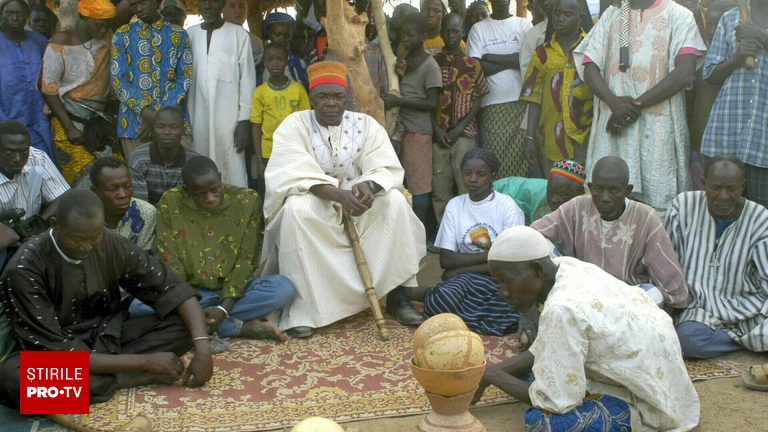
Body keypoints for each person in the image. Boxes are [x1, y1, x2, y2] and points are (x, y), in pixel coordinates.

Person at [0, 188, 213, 416]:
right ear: (54, 224)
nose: (86, 247)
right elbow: (58, 353)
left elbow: (172, 288)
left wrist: (202, 349)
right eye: (77, 240)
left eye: (94, 239)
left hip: (106, 335)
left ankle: (103, 378)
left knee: (187, 323)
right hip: (53, 354)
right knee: (17, 382)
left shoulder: (110, 242)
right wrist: (144, 363)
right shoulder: (24, 268)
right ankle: (122, 378)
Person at [473, 226, 700, 431]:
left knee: (544, 422)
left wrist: (494, 375)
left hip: (650, 400)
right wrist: (490, 373)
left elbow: (555, 401)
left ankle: (634, 418)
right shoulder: (566, 266)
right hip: (665, 380)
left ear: (536, 270)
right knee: (534, 370)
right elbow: (548, 345)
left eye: (505, 281)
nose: (502, 292)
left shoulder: (560, 308)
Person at [262, 61, 427, 338]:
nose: (331, 103)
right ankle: (305, 310)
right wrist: (339, 195)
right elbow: (291, 171)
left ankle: (397, 297)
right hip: (317, 200)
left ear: (346, 97)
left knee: (396, 203)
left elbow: (384, 165)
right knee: (295, 211)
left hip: (359, 203)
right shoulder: (294, 125)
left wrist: (368, 187)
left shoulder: (366, 125)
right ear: (311, 98)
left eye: (337, 97)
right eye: (323, 97)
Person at [132, 156, 296, 342]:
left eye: (214, 190)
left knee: (283, 288)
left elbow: (246, 261)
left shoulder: (246, 200)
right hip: (189, 294)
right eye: (201, 194)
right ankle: (236, 327)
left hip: (235, 294)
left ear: (219, 177)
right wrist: (188, 304)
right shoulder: (170, 202)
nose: (210, 198)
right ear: (186, 190)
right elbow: (170, 260)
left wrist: (223, 309)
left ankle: (195, 322)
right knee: (137, 306)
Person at [573, 0, 706, 211]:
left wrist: (632, 106)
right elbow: (589, 66)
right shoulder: (612, 15)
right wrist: (614, 102)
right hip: (613, 127)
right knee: (608, 203)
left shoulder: (679, 15)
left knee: (658, 204)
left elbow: (685, 72)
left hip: (658, 130)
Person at [531, 156, 689, 308]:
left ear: (627, 191)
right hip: (581, 294)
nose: (605, 198)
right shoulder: (577, 207)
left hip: (625, 299)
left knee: (653, 295)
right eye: (599, 189)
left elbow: (672, 285)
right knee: (535, 244)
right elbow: (532, 234)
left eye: (614, 190)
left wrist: (670, 307)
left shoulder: (646, 218)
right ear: (591, 188)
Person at [666, 156, 768, 359]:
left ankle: (743, 338)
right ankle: (748, 343)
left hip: (748, 308)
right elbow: (668, 265)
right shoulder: (683, 207)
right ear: (704, 184)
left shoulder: (759, 219)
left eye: (731, 189)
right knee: (687, 340)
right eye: (716, 188)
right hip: (700, 311)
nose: (723, 196)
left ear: (742, 188)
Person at [424, 149, 525, 336]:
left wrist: (460, 269)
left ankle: (457, 321)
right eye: (467, 173)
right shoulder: (455, 205)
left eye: (481, 174)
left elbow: (509, 263)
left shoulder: (507, 206)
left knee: (512, 306)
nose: (473, 179)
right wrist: (490, 255)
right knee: (443, 298)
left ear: (492, 176)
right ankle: (473, 322)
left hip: (499, 280)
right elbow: (446, 260)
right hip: (465, 281)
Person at [42, 0, 119, 185]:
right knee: (84, 180)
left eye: (107, 26)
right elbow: (48, 89)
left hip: (99, 121)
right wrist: (69, 127)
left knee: (113, 174)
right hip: (69, 120)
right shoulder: (61, 41)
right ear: (83, 18)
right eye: (99, 25)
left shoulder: (107, 38)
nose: (103, 30)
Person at [700, 1, 768, 207]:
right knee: (722, 213)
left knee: (762, 220)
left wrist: (762, 37)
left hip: (763, 144)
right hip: (726, 137)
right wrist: (737, 59)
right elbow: (709, 74)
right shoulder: (730, 18)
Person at [382, 13, 442, 228]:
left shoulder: (430, 65)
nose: (405, 39)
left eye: (410, 35)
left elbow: (431, 103)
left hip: (418, 131)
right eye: (402, 35)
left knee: (419, 186)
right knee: (398, 182)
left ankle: (420, 235)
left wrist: (399, 101)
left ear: (423, 36)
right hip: (400, 129)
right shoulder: (402, 61)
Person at [187, 0, 255, 189]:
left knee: (232, 170)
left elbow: (248, 80)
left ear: (222, 4)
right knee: (198, 163)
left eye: (214, 1)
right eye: (204, 2)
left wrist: (244, 121)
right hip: (195, 116)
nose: (208, 6)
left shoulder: (239, 35)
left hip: (230, 120)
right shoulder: (189, 35)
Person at [111, 0, 193, 157]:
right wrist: (146, 113)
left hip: (174, 124)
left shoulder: (178, 34)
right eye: (133, 5)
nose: (138, 9)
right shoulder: (121, 34)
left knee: (183, 176)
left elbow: (184, 77)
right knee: (140, 177)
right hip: (134, 125)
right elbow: (118, 80)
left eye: (143, 3)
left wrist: (157, 118)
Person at [521, 0, 593, 176]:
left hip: (586, 136)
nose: (560, 18)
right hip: (550, 140)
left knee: (584, 193)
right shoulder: (542, 54)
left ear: (581, 17)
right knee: (556, 191)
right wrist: (530, 138)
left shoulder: (592, 48)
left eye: (567, 15)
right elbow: (533, 98)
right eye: (557, 13)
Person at [432, 13, 489, 223]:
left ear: (462, 32)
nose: (451, 35)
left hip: (464, 135)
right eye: (447, 31)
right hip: (438, 137)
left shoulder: (472, 65)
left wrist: (460, 128)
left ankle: (467, 230)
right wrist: (436, 130)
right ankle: (444, 232)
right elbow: (428, 102)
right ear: (441, 33)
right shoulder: (433, 63)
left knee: (466, 185)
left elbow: (478, 100)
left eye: (455, 31)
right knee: (440, 187)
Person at [466, 0, 532, 178]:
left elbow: (528, 61)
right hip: (491, 107)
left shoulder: (523, 24)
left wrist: (489, 57)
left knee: (520, 162)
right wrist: (513, 61)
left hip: (521, 104)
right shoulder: (478, 29)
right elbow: (475, 68)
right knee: (494, 161)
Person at [0, 120, 69, 268]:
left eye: (24, 151)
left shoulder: (38, 159)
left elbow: (63, 196)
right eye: (9, 152)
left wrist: (39, 224)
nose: (18, 158)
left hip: (34, 235)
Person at [250, 43, 310, 195]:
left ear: (287, 62)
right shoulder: (260, 92)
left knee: (292, 191)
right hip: (268, 153)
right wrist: (258, 160)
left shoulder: (298, 90)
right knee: (269, 193)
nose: (275, 63)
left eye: (279, 59)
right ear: (264, 63)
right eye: (270, 60)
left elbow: (307, 124)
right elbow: (256, 126)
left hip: (294, 150)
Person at [0, 0, 54, 160]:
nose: (15, 18)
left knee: (43, 162)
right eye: (10, 13)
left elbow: (51, 74)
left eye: (19, 13)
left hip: (39, 118)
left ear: (27, 16)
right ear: (3, 14)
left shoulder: (39, 41)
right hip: (7, 114)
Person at [129, 107, 199, 206]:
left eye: (174, 127)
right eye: (161, 127)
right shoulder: (139, 158)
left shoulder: (193, 163)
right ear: (153, 129)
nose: (167, 132)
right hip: (146, 216)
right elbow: (140, 206)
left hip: (179, 216)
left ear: (183, 131)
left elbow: (193, 204)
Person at [91, 157, 156, 251]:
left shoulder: (146, 213)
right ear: (95, 191)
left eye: (128, 186)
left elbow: (145, 260)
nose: (122, 195)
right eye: (112, 188)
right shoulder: (83, 218)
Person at [494, 159, 586, 224]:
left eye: (561, 194)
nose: (553, 200)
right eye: (550, 192)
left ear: (579, 192)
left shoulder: (588, 211)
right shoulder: (536, 190)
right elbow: (498, 187)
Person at [258, 12, 309, 91]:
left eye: (287, 35)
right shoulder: (258, 62)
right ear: (269, 34)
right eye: (278, 34)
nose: (283, 38)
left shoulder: (298, 63)